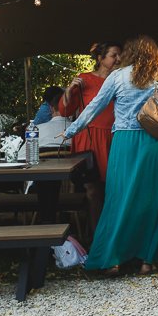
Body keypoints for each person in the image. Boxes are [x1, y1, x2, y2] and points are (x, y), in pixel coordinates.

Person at [62, 35, 158, 276]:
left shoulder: (118, 77)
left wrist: (71, 130)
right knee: (152, 202)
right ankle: (147, 260)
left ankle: (112, 259)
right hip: (156, 144)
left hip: (125, 141)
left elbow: (94, 107)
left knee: (118, 199)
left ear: (129, 54)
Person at [59, 41, 122, 226]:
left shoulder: (121, 79)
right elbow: (64, 111)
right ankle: (96, 237)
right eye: (113, 55)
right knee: (92, 189)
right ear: (100, 58)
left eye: (120, 55)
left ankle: (111, 234)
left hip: (113, 137)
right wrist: (69, 90)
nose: (118, 59)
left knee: (114, 188)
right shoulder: (85, 79)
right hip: (90, 138)